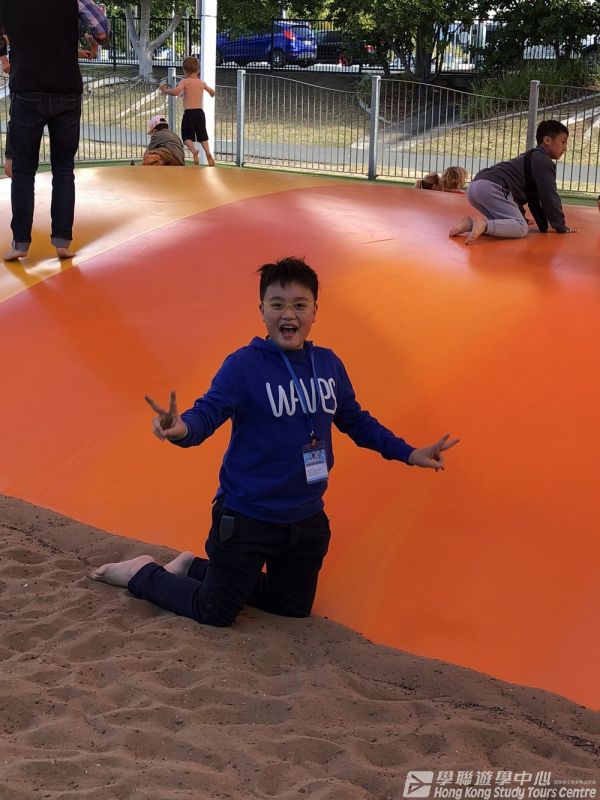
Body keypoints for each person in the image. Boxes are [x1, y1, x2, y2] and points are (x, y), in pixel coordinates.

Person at [91, 257, 459, 628]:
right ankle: (141, 572)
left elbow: (357, 421)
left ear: (315, 311)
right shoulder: (243, 366)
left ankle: (194, 567)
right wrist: (180, 428)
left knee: (291, 607)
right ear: (262, 310)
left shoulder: (328, 364)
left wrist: (409, 453)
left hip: (306, 519)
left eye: (300, 305)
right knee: (214, 612)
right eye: (277, 304)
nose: (289, 315)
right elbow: (206, 414)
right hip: (247, 516)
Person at [0, 0, 110, 262]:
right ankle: (62, 242)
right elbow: (102, 30)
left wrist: (7, 53)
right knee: (63, 170)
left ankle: (20, 243)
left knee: (23, 172)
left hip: (27, 89)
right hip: (66, 90)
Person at [449, 120, 576, 245]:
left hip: (474, 187)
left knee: (505, 222)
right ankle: (484, 225)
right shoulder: (544, 163)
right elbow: (549, 196)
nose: (565, 148)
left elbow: (521, 195)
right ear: (547, 140)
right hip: (492, 187)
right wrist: (560, 225)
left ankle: (469, 224)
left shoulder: (529, 156)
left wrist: (523, 217)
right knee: (521, 228)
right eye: (563, 142)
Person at [159, 56, 215, 166]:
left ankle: (194, 150)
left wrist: (165, 90)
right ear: (198, 70)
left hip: (189, 113)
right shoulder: (201, 83)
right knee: (203, 136)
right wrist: (210, 93)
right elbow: (212, 92)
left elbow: (176, 92)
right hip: (200, 113)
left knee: (186, 137)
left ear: (185, 71)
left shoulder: (184, 82)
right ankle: (208, 152)